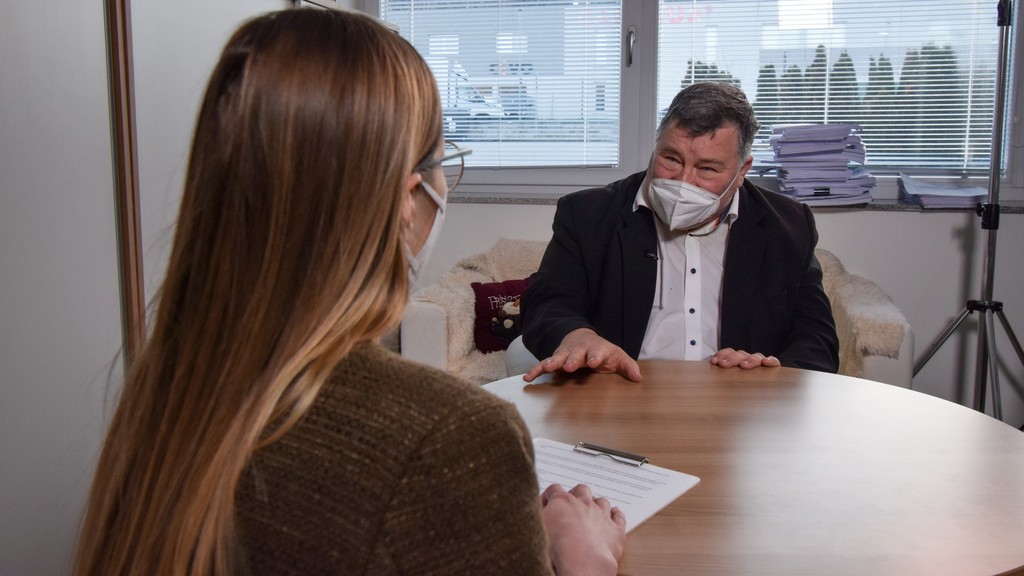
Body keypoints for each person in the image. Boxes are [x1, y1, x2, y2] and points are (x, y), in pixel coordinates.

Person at [72, 9, 625, 576]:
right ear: (408, 198)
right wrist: (584, 555)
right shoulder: (453, 438)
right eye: (445, 161)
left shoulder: (165, 393)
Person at [521, 81, 839, 383]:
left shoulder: (788, 225)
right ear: (655, 147)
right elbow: (547, 302)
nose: (683, 181)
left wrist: (772, 371)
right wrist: (577, 335)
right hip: (619, 391)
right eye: (671, 159)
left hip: (740, 403)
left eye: (707, 168)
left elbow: (817, 338)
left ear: (743, 170)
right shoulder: (587, 214)